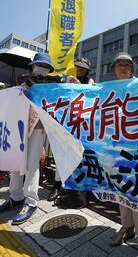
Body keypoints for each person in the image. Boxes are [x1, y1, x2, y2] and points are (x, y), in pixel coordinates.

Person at [0, 52, 58, 225]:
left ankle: (31, 201)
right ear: (32, 66)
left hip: (37, 127)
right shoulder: (22, 81)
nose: (42, 69)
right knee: (14, 161)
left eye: (45, 67)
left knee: (31, 163)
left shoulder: (53, 83)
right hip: (17, 125)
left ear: (50, 70)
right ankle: (15, 196)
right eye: (39, 65)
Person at [108, 52, 138, 257]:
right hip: (115, 148)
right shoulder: (107, 90)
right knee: (122, 190)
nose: (123, 67)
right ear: (114, 69)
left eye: (127, 64)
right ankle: (127, 228)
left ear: (132, 69)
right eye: (119, 64)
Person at [48, 57, 95, 202]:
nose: (79, 69)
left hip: (82, 125)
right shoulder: (66, 79)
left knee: (81, 155)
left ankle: (80, 189)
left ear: (87, 69)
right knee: (61, 153)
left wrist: (79, 85)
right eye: (77, 66)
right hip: (66, 122)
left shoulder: (90, 82)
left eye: (82, 67)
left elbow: (92, 97)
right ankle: (57, 185)